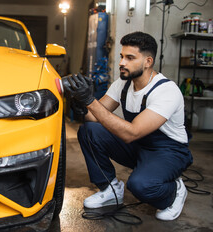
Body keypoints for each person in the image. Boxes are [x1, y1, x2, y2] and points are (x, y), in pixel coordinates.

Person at [63, 31, 193, 221]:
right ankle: (110, 188)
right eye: (122, 56)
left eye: (130, 58)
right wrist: (81, 107)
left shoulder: (166, 91)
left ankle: (175, 191)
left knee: (141, 186)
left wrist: (90, 101)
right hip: (139, 145)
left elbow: (131, 133)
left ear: (148, 61)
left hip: (168, 151)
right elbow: (94, 117)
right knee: (88, 131)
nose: (122, 62)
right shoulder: (123, 84)